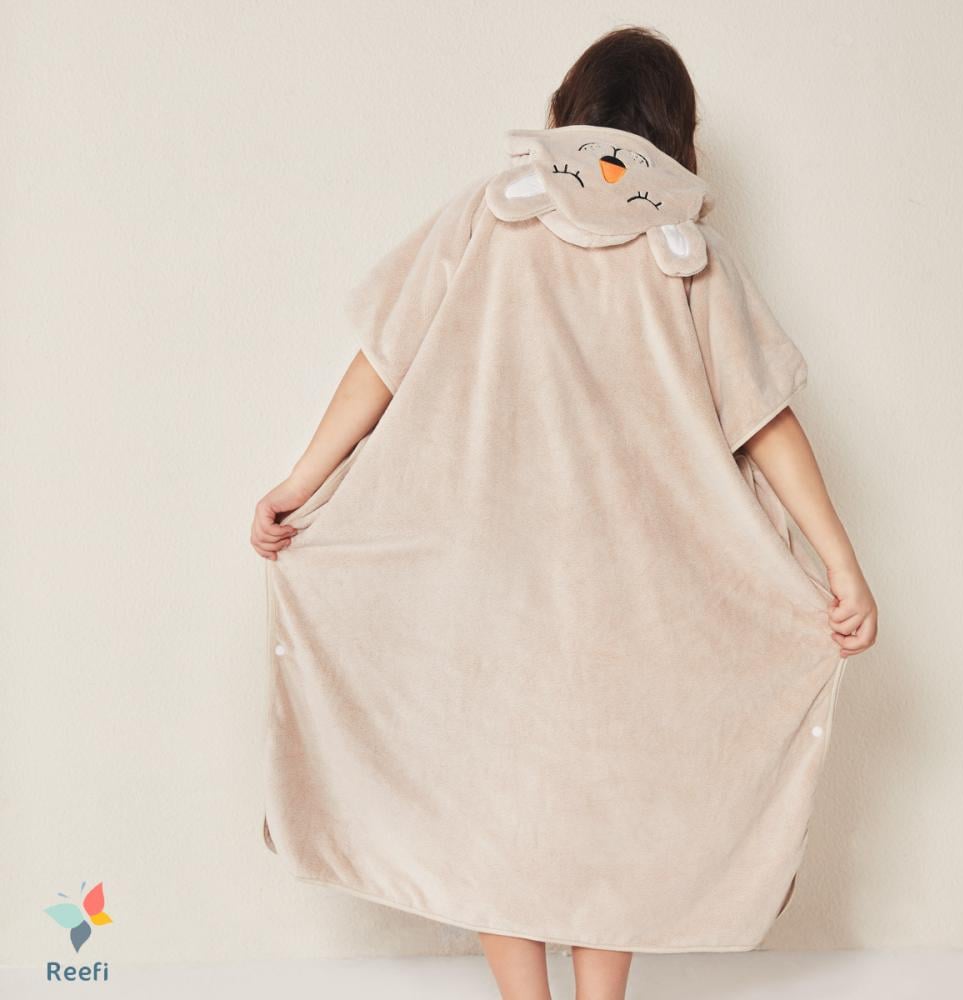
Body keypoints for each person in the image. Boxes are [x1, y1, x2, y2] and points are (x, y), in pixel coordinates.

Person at [251, 25, 877, 1000]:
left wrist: (302, 480)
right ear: (678, 136)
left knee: (493, 797)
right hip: (632, 589)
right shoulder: (687, 254)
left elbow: (384, 358)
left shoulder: (488, 215)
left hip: (485, 570)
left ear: (562, 113)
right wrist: (839, 563)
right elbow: (764, 420)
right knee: (606, 805)